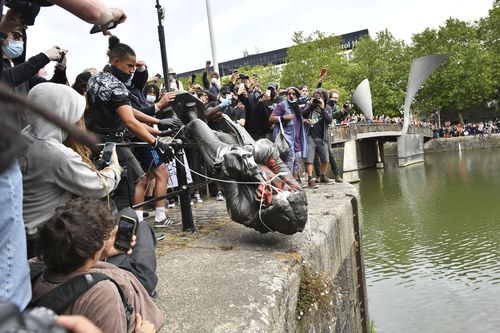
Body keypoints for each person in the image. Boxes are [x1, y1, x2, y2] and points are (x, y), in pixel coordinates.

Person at [30, 197, 165, 333]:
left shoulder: (35, 265)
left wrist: (100, 253)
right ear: (93, 254)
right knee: (143, 226)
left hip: (98, 262)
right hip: (138, 283)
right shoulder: (102, 293)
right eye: (105, 238)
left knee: (130, 215)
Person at [19, 83, 123, 257]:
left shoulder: (23, 137)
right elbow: (99, 186)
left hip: (20, 234)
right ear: (63, 114)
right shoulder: (54, 152)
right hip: (42, 238)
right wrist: (115, 167)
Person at [85, 36, 177, 211]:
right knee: (134, 182)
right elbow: (129, 121)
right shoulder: (117, 86)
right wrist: (156, 143)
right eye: (130, 66)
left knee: (116, 184)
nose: (133, 70)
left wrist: (158, 122)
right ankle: (131, 228)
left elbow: (127, 111)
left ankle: (128, 225)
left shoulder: (93, 80)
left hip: (94, 140)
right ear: (117, 61)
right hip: (113, 142)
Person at [269, 87, 307, 184]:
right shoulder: (282, 105)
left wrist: (306, 121)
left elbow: (299, 120)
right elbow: (271, 118)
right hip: (288, 138)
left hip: (298, 138)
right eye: (289, 93)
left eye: (293, 94)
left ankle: (295, 182)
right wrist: (283, 117)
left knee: (297, 160)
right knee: (289, 161)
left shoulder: (297, 106)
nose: (291, 95)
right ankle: (288, 183)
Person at [302, 88, 333, 187]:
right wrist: (311, 105)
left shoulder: (328, 108)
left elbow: (329, 120)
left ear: (324, 97)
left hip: (322, 137)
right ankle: (311, 179)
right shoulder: (310, 106)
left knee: (325, 160)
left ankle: (323, 176)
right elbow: (302, 114)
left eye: (319, 95)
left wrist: (323, 108)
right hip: (310, 136)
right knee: (309, 159)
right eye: (316, 95)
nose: (317, 97)